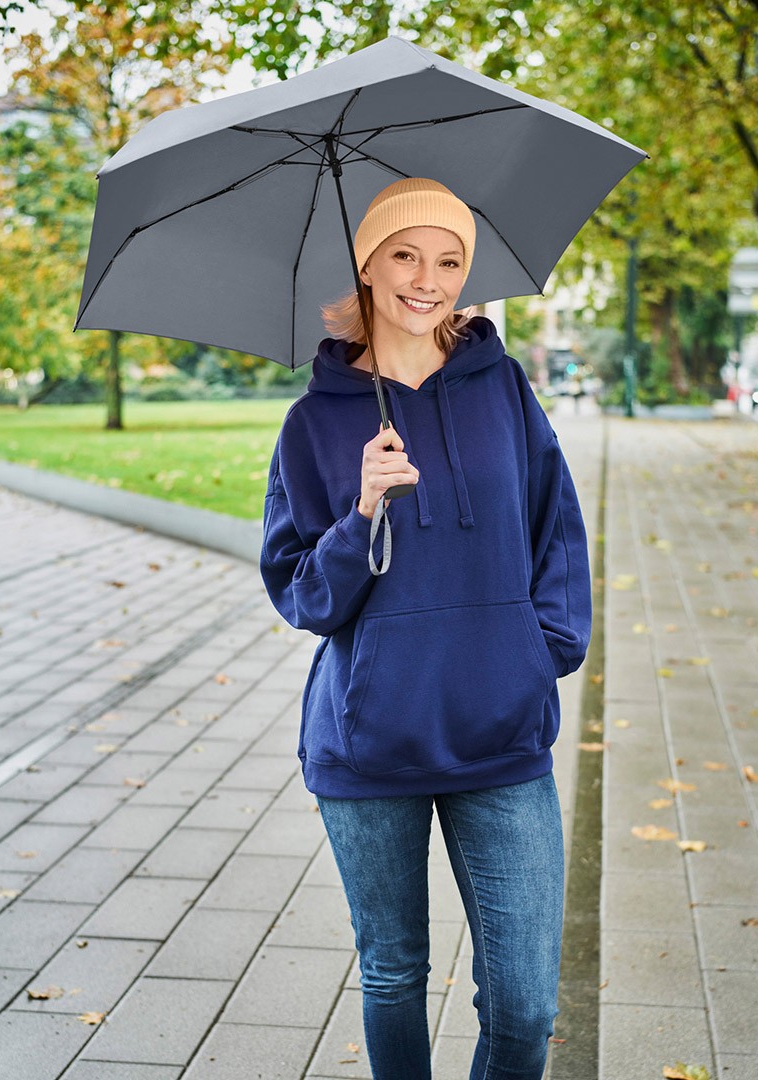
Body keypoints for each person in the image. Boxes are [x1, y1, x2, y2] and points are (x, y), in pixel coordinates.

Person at [260, 177, 591, 1080]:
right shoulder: (315, 423)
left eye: (449, 261)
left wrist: (542, 653)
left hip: (500, 732)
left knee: (524, 1005)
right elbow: (301, 597)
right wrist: (360, 509)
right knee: (395, 975)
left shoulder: (504, 389)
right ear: (367, 267)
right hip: (370, 744)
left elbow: (555, 525)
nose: (427, 279)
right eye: (405, 255)